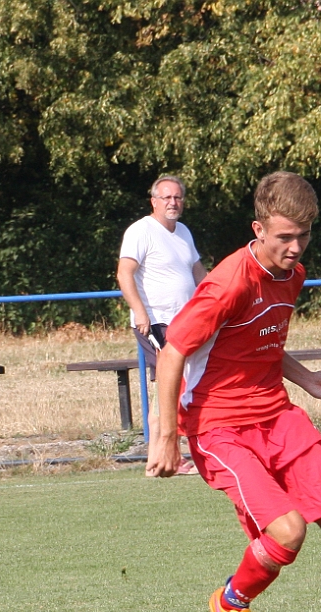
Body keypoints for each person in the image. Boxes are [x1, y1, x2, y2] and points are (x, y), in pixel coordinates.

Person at [145, 171, 321, 612]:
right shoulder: (228, 281)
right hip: (219, 427)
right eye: (284, 237)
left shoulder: (292, 274)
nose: (295, 248)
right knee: (288, 532)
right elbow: (172, 352)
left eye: (304, 236)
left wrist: (307, 379)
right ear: (258, 229)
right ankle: (230, 604)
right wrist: (166, 437)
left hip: (277, 415)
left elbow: (262, 341)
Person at [117, 175, 207, 473]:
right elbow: (124, 273)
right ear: (153, 201)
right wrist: (140, 313)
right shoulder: (141, 231)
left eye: (177, 197)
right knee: (171, 385)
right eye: (167, 197)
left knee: (170, 387)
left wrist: (221, 302)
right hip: (158, 322)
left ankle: (157, 459)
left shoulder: (183, 231)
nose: (173, 203)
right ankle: (167, 457)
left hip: (186, 322)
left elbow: (198, 273)